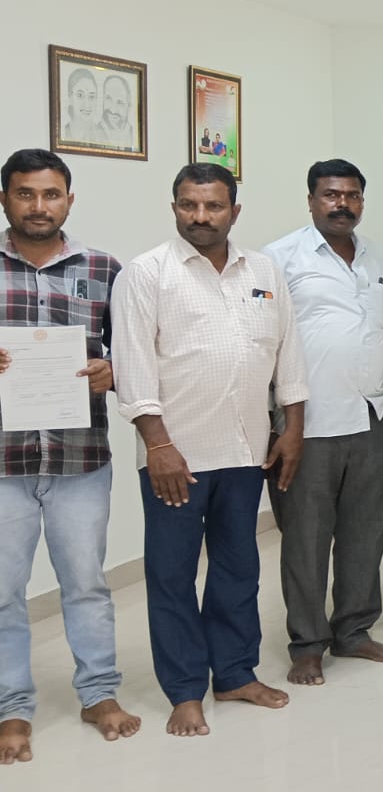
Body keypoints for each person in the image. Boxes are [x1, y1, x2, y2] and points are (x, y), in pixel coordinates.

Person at [114, 162, 308, 737]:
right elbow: (132, 366)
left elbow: (288, 354)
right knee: (172, 575)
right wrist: (158, 444)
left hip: (247, 451)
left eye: (213, 206)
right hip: (177, 457)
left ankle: (234, 673)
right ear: (174, 207)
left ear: (234, 211)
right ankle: (183, 691)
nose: (200, 216)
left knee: (238, 568)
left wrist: (292, 428)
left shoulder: (264, 270)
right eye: (189, 205)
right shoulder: (147, 273)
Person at [0, 150, 138, 765]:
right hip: (2, 462)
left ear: (69, 200)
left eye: (51, 194)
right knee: (3, 592)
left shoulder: (105, 269)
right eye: (25, 194)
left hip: (80, 459)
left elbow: (133, 351)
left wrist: (113, 371)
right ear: (5, 199)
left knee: (86, 583)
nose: (39, 206)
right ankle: (11, 707)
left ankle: (98, 694)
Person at [262, 159, 383, 687]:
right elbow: (268, 341)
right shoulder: (279, 259)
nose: (342, 204)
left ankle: (354, 631)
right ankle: (307, 643)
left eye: (352, 195)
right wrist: (281, 423)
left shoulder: (377, 259)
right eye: (331, 194)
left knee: (366, 533)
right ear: (311, 200)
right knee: (306, 539)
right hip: (307, 423)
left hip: (371, 414)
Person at [60, 69, 106, 146]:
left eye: (91, 96)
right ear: (70, 98)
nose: (87, 104)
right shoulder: (63, 133)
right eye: (80, 95)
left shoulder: (103, 137)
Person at [97, 75, 135, 151]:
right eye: (108, 98)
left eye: (120, 102)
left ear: (129, 107)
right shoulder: (92, 132)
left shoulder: (134, 135)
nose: (113, 110)